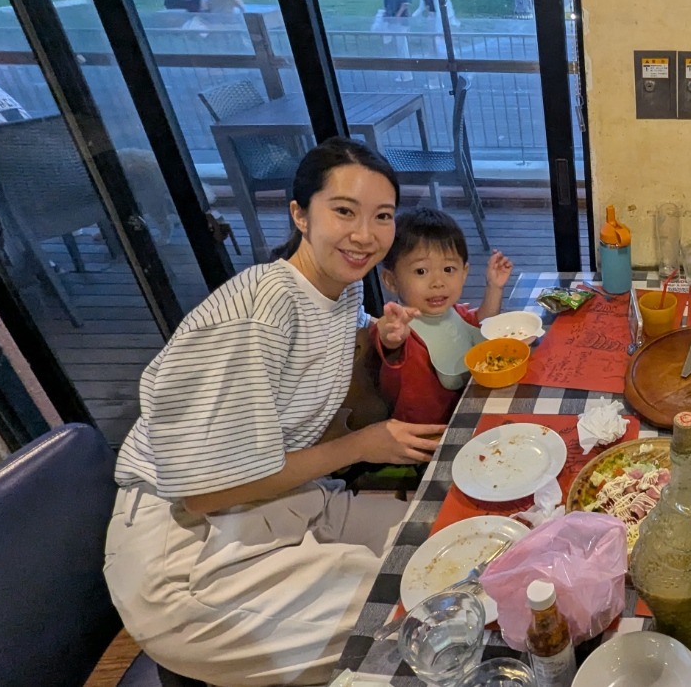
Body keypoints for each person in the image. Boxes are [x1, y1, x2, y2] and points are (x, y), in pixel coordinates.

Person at [104, 138, 447, 686]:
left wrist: (379, 336)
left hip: (280, 502)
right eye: (344, 211)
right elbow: (205, 493)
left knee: (451, 546)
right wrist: (363, 445)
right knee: (420, 618)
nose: (365, 234)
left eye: (382, 216)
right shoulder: (257, 315)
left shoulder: (337, 292)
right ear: (300, 214)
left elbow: (324, 358)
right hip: (189, 556)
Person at [370, 206, 514, 424]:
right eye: (421, 271)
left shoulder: (452, 312)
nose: (438, 282)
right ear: (391, 280)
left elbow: (481, 324)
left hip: (465, 411)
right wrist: (389, 336)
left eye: (448, 269)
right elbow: (387, 342)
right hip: (423, 434)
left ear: (464, 272)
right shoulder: (400, 327)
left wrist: (494, 287)